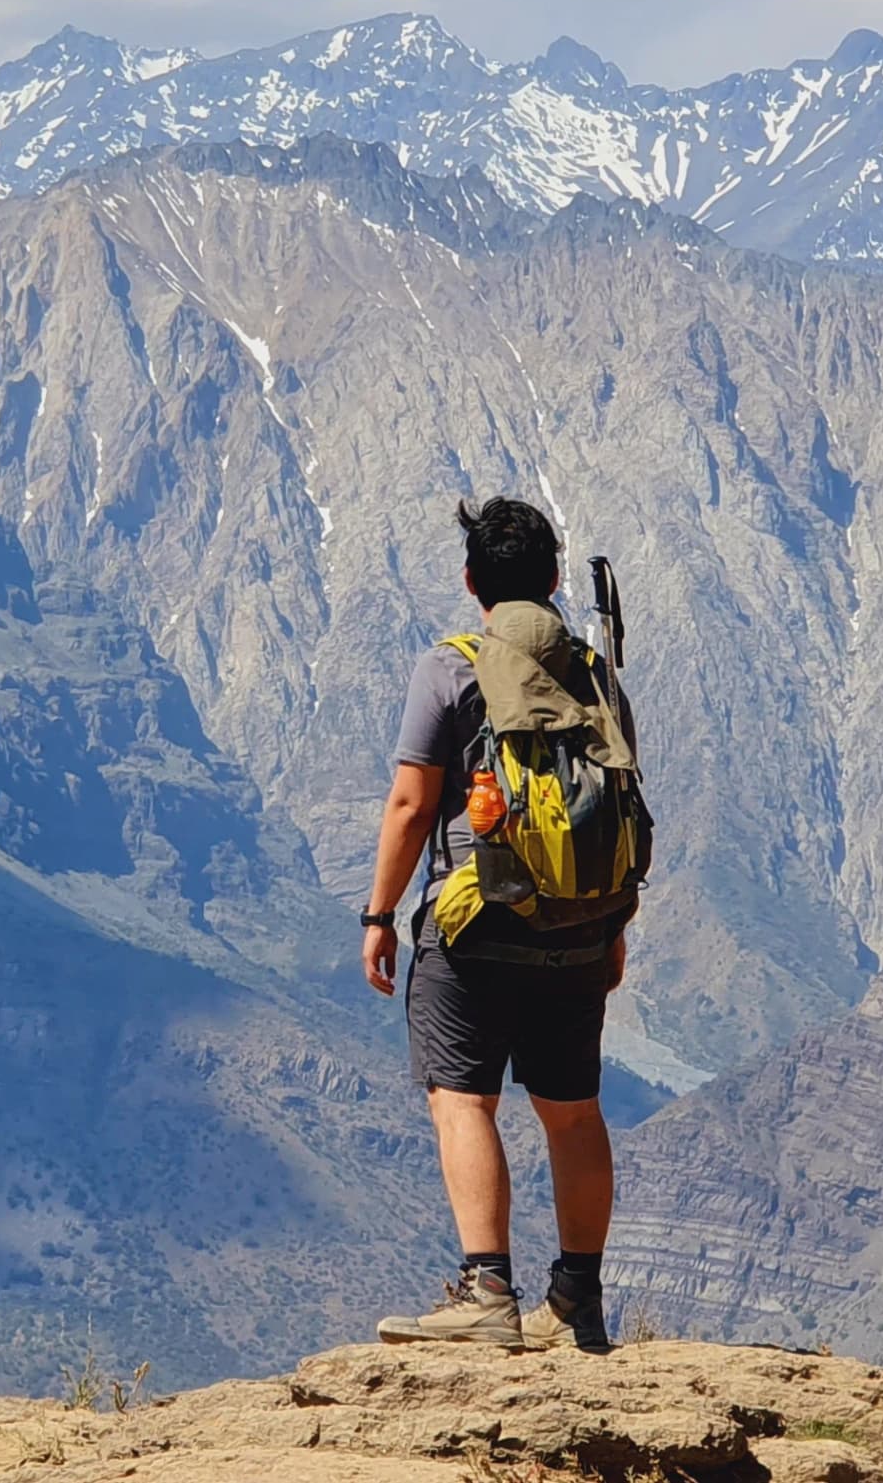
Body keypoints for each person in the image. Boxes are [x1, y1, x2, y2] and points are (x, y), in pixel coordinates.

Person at [358, 496, 635, 1353]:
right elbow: (620, 809)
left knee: (462, 1099)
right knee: (573, 1109)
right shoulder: (595, 670)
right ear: (554, 579)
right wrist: (613, 925)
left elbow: (410, 804)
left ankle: (486, 1289)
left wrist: (378, 914)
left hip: (474, 927)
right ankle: (577, 1300)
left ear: (473, 582)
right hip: (581, 927)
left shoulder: (451, 668)